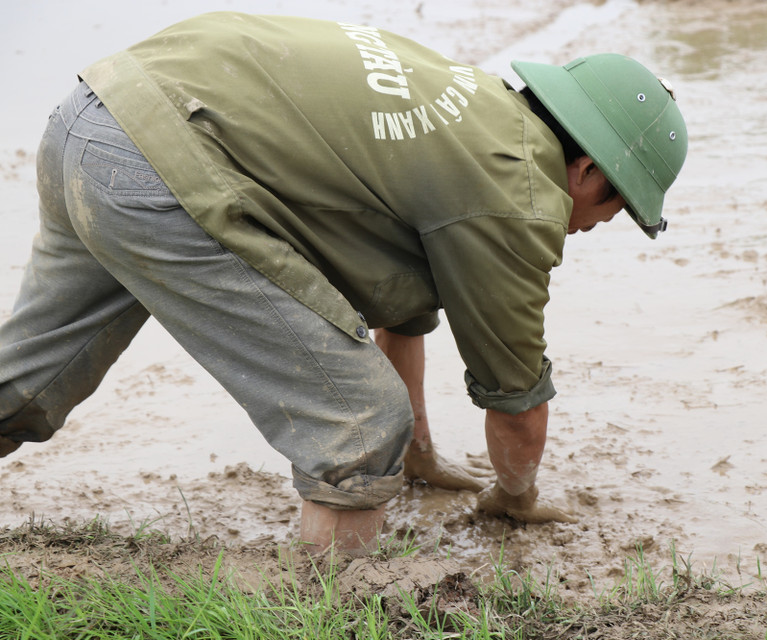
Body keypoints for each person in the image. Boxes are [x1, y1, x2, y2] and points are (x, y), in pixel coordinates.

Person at [0, 12, 687, 555]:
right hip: (166, 158)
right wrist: (516, 499)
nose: (594, 228)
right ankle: (324, 614)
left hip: (97, 114)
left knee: (28, 380)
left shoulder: (477, 112)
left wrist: (420, 455)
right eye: (616, 208)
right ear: (589, 171)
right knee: (357, 422)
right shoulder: (520, 193)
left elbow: (405, 311)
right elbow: (516, 405)